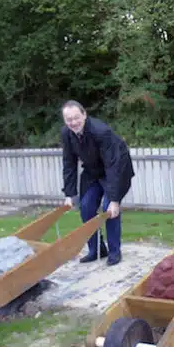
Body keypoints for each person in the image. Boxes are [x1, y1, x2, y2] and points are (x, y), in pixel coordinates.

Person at [60, 100, 135, 265]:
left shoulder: (101, 131)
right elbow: (69, 163)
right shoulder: (67, 134)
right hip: (93, 171)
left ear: (84, 114)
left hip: (116, 168)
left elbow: (112, 165)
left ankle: (115, 252)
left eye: (76, 117)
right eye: (69, 119)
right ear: (65, 121)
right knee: (86, 207)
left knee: (110, 210)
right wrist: (69, 194)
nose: (73, 122)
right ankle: (96, 250)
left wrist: (115, 200)